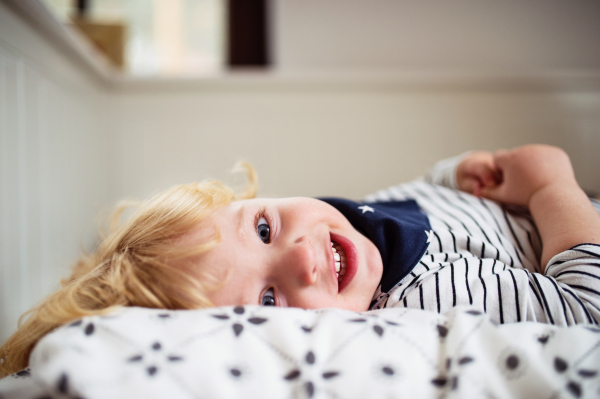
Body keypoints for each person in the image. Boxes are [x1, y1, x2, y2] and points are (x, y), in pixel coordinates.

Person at [1, 144, 599, 377]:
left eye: (262, 227)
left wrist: (462, 173)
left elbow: (423, 191)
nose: (301, 259)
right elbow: (586, 305)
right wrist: (553, 190)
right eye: (268, 301)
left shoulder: (349, 216)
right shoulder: (423, 303)